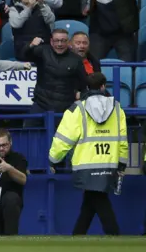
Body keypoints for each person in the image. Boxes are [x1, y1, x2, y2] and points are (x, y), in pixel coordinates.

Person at [48, 72, 127, 235]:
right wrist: (122, 162)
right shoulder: (117, 108)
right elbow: (122, 139)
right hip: (109, 163)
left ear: (86, 87)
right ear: (103, 86)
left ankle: (113, 236)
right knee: (92, 200)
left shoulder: (77, 109)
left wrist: (53, 159)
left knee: (96, 199)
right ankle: (78, 236)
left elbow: (64, 138)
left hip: (85, 165)